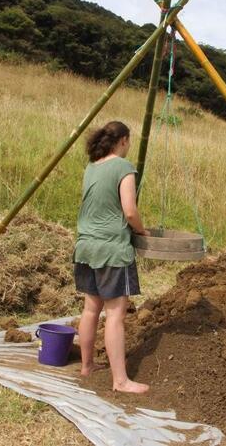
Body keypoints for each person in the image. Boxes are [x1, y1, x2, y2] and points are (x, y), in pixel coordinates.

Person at [73, 121, 150, 394]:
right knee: (115, 314)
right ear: (124, 141)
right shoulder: (123, 167)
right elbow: (129, 211)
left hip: (86, 247)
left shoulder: (92, 167)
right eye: (129, 142)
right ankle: (120, 380)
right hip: (111, 250)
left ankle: (86, 366)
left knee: (91, 309)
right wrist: (142, 230)